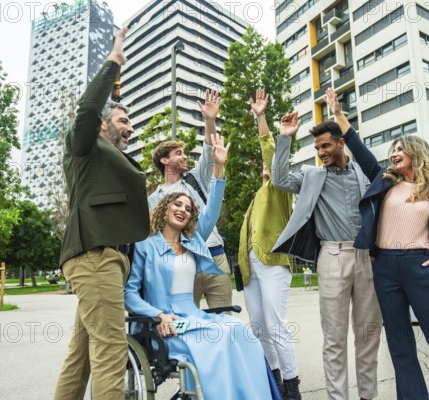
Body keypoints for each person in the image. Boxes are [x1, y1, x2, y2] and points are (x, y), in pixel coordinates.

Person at [326, 87, 429, 400]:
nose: (394, 153)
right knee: (399, 345)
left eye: (400, 149)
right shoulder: (384, 181)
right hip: (385, 267)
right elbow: (360, 150)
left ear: (416, 153)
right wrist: (338, 115)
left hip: (421, 266)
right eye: (392, 150)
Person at [125, 134, 273, 400]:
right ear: (164, 208)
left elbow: (212, 210)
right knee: (217, 335)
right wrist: (158, 316)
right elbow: (129, 295)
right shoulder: (145, 246)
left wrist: (219, 169)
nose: (183, 210)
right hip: (165, 325)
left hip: (193, 318)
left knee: (239, 330)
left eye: (188, 208)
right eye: (177, 204)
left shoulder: (193, 242)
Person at [54, 27, 150, 399]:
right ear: (103, 125)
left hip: (104, 261)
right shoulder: (85, 146)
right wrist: (114, 62)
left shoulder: (109, 160)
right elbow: (88, 107)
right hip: (95, 258)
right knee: (111, 350)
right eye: (123, 121)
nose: (130, 127)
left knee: (80, 359)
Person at [271, 110, 383, 400]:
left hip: (367, 259)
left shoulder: (366, 172)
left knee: (368, 336)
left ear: (341, 143)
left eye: (326, 146)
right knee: (334, 339)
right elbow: (279, 179)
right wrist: (285, 139)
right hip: (331, 256)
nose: (321, 153)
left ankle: (368, 396)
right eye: (317, 148)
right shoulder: (311, 175)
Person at [238, 89, 300, 399]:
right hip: (251, 269)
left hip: (274, 262)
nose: (267, 166)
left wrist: (261, 117)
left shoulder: (280, 189)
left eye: (273, 164)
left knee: (276, 326)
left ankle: (292, 386)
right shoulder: (256, 197)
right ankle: (274, 378)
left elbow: (270, 150)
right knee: (259, 328)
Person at [148, 89, 232, 309]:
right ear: (165, 160)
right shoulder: (152, 200)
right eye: (178, 153)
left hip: (216, 258)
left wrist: (209, 120)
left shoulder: (196, 179)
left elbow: (210, 151)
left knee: (223, 323)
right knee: (186, 325)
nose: (185, 156)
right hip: (184, 265)